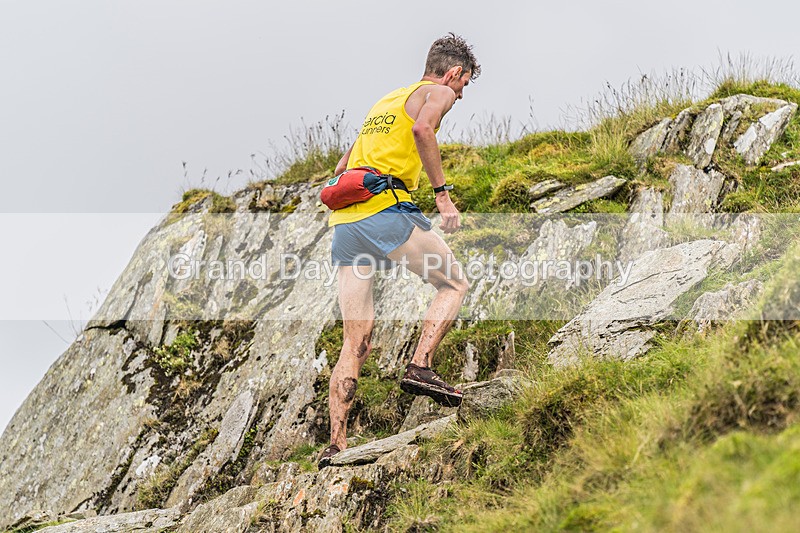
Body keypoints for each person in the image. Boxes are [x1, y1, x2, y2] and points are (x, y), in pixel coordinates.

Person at [319, 33, 481, 468]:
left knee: (355, 339)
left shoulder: (385, 102)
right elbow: (422, 129)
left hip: (346, 223)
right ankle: (420, 365)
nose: (460, 95)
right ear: (453, 73)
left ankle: (336, 444)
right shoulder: (437, 92)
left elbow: (342, 167)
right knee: (454, 282)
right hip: (385, 210)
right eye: (464, 85)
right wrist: (442, 196)